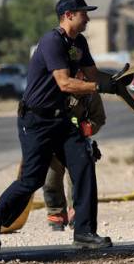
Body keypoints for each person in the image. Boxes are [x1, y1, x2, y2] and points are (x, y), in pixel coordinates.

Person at [0, 0, 126, 252]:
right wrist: (99, 87)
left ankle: (84, 232)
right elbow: (65, 83)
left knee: (83, 164)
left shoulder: (78, 42)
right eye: (83, 13)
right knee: (32, 179)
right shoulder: (51, 41)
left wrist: (119, 80)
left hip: (60, 119)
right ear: (68, 15)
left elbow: (93, 74)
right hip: (35, 119)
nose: (88, 18)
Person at [43, 74, 106, 231]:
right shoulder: (52, 86)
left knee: (77, 179)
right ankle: (55, 215)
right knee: (50, 179)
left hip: (77, 140)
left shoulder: (90, 93)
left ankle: (76, 214)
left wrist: (89, 127)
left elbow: (98, 117)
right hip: (53, 139)